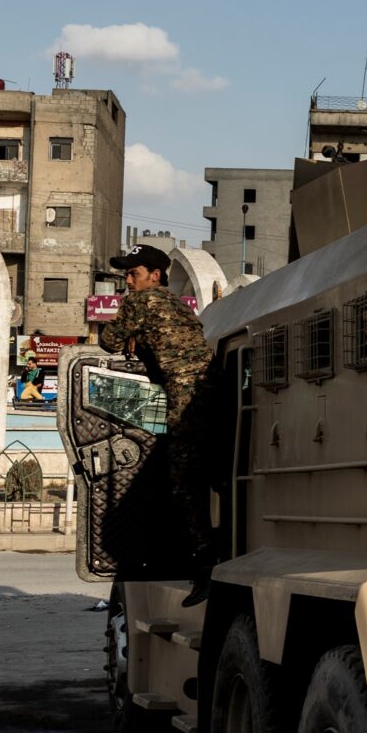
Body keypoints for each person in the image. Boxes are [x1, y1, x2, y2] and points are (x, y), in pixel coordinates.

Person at [99, 245, 217, 599]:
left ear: (155, 275)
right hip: (214, 393)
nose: (128, 281)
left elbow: (108, 342)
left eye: (133, 274)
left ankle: (205, 563)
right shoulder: (180, 307)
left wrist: (129, 335)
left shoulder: (140, 302)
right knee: (212, 476)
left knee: (182, 484)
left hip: (185, 400)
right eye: (126, 274)